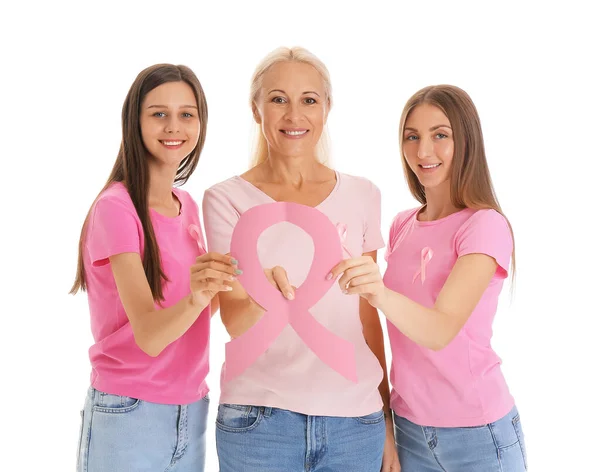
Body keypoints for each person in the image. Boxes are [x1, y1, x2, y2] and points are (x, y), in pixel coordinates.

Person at [202, 46, 400, 472]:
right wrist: (265, 292)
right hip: (259, 423)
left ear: (327, 108)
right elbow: (234, 319)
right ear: (256, 110)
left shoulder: (363, 195)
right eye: (278, 99)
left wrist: (385, 420)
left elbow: (368, 317)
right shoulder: (226, 199)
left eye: (309, 100)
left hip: (354, 422)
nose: (294, 115)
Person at [329, 85, 528, 471]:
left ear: (466, 141)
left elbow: (440, 331)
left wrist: (377, 291)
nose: (423, 152)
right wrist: (386, 423)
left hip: (478, 434)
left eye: (440, 135)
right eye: (412, 136)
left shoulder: (484, 225)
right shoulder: (403, 224)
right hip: (411, 430)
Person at [70, 63, 237, 472]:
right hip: (129, 412)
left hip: (190, 409)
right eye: (158, 113)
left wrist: (224, 284)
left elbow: (190, 317)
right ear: (136, 121)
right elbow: (149, 335)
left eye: (187, 114)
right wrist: (200, 294)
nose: (173, 126)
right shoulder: (117, 207)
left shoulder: (189, 206)